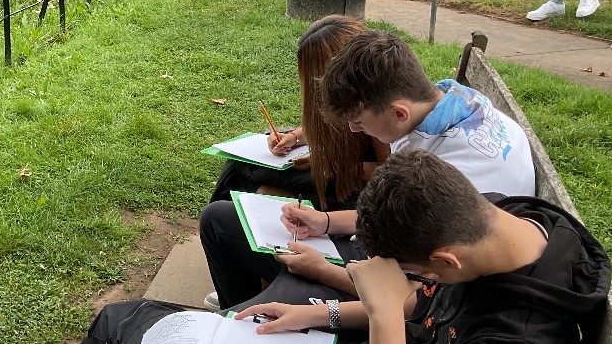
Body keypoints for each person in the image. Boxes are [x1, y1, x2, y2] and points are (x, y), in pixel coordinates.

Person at [217, 29, 536, 312]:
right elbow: (399, 215)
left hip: (398, 279)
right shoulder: (448, 104)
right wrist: (325, 221)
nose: (355, 131)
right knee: (218, 220)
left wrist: (323, 271)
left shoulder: (446, 172)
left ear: (398, 112)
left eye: (359, 122)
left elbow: (417, 295)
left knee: (246, 323)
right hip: (386, 248)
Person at [235, 148, 611, 344]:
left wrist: (383, 312)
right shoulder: (494, 222)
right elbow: (422, 303)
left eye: (413, 272)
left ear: (447, 260)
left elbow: (408, 304)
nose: (416, 281)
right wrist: (316, 314)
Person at [202, 16, 390, 311]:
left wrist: (332, 166)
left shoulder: (380, 107)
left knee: (248, 179)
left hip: (354, 191)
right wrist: (295, 137)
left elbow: (388, 174)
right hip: (337, 177)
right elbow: (328, 128)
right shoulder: (353, 96)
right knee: (239, 171)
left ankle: (236, 273)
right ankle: (236, 272)